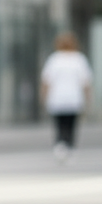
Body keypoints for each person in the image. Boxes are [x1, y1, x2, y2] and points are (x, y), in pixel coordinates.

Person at [40, 31, 92, 162]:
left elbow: (46, 81)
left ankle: (60, 144)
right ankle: (70, 145)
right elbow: (86, 82)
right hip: (74, 98)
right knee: (71, 124)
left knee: (60, 124)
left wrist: (44, 97)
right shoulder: (79, 59)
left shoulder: (54, 59)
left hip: (57, 98)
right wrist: (88, 98)